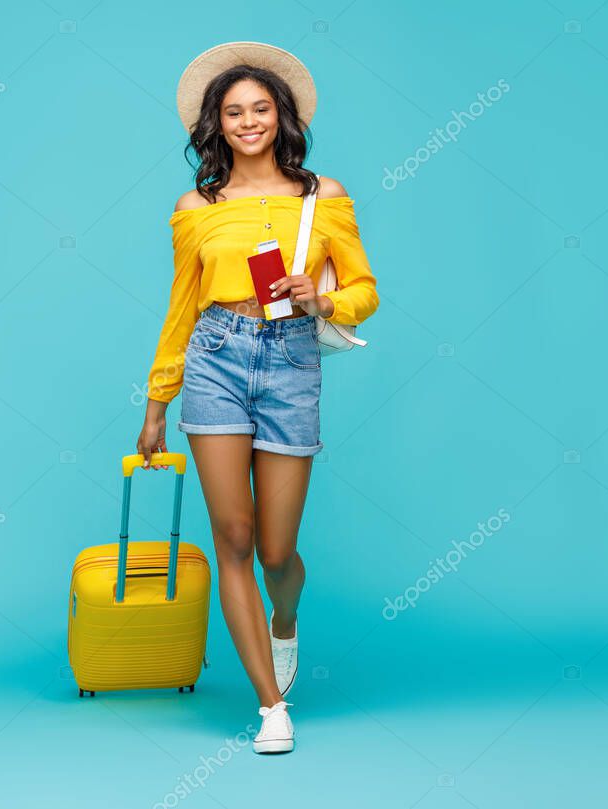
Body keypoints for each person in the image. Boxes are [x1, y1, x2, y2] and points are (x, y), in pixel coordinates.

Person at [135, 42, 379, 754]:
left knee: (276, 551)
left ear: (282, 116)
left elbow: (365, 292)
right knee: (233, 537)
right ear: (216, 123)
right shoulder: (195, 207)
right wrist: (157, 403)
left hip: (291, 360)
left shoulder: (323, 197)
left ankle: (285, 616)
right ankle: (271, 707)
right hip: (215, 356)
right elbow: (180, 309)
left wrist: (323, 299)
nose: (248, 121)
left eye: (260, 109)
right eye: (234, 111)